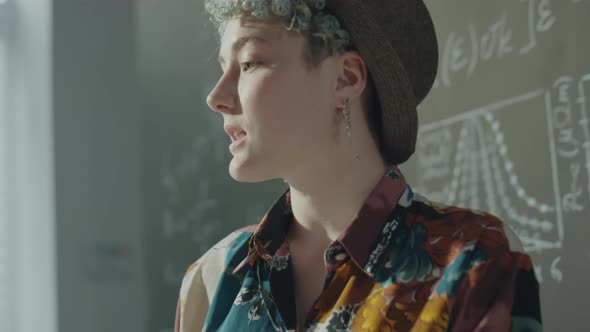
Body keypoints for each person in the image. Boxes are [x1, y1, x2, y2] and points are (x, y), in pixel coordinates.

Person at [174, 0, 543, 331]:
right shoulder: (214, 276)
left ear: (346, 77)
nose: (217, 97)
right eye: (224, 68)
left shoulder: (473, 261)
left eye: (249, 62)